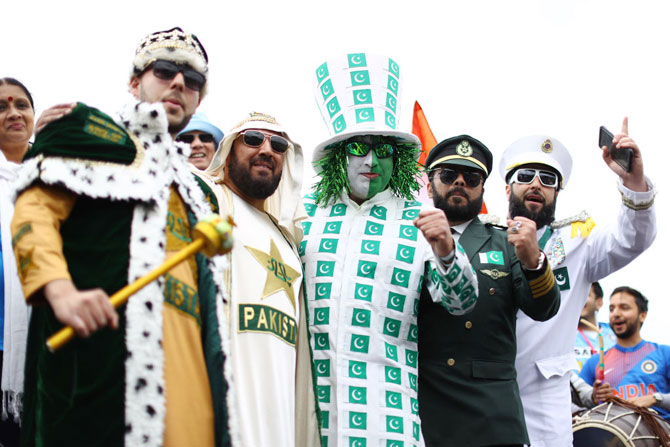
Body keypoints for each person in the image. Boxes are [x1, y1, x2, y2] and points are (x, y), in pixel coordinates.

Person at [11, 27, 233, 447]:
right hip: (100, 370)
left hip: (192, 384)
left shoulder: (198, 193)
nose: (180, 83)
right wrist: (61, 292)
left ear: (200, 99)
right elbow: (34, 215)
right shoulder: (89, 135)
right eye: (165, 70)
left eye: (194, 80)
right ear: (135, 82)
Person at [302, 53, 478, 447]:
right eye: (358, 148)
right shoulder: (303, 213)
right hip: (309, 405)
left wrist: (448, 251)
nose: (371, 160)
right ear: (337, 155)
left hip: (387, 411)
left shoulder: (420, 218)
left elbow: (461, 302)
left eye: (383, 149)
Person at [499, 121, 657, 446]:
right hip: (485, 399)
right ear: (506, 188)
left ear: (557, 192)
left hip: (546, 408)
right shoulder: (483, 241)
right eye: (525, 176)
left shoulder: (577, 245)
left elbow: (633, 239)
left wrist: (633, 182)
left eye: (548, 180)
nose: (536, 185)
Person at [419, 135, 561, 446]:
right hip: (422, 406)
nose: (459, 182)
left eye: (471, 178)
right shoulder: (408, 239)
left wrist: (533, 261)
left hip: (489, 414)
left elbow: (543, 308)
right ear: (429, 186)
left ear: (482, 190)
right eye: (448, 175)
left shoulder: (504, 242)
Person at [200, 112, 320, 447]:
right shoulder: (210, 204)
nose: (267, 149)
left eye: (278, 144)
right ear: (227, 153)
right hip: (219, 403)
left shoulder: (289, 241)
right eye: (253, 139)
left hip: (279, 420)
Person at [0, 77, 34, 447]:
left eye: (21, 105)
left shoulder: (59, 174)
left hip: (47, 329)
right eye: (1, 107)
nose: (13, 113)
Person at [580, 287, 670, 419]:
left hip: (659, 434)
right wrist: (594, 397)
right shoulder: (595, 361)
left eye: (624, 307)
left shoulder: (664, 353)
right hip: (610, 436)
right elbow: (573, 403)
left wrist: (656, 399)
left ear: (642, 315)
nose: (616, 313)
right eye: (611, 309)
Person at [574, 282, 616, 371]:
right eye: (576, 295)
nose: (578, 300)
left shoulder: (615, 333)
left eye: (585, 295)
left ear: (599, 303)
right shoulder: (564, 335)